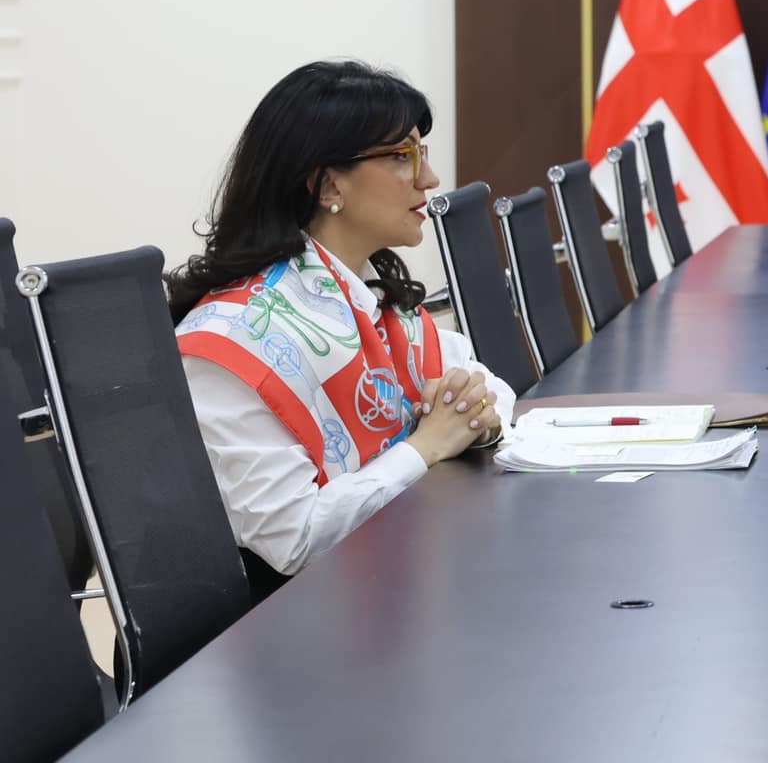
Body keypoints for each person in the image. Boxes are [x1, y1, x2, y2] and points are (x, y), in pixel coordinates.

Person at [169, 60, 515, 595]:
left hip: (395, 581)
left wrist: (477, 417)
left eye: (422, 153)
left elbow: (487, 386)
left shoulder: (365, 292)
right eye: (401, 156)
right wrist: (425, 448)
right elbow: (295, 538)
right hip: (293, 622)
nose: (429, 178)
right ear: (328, 183)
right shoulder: (234, 340)